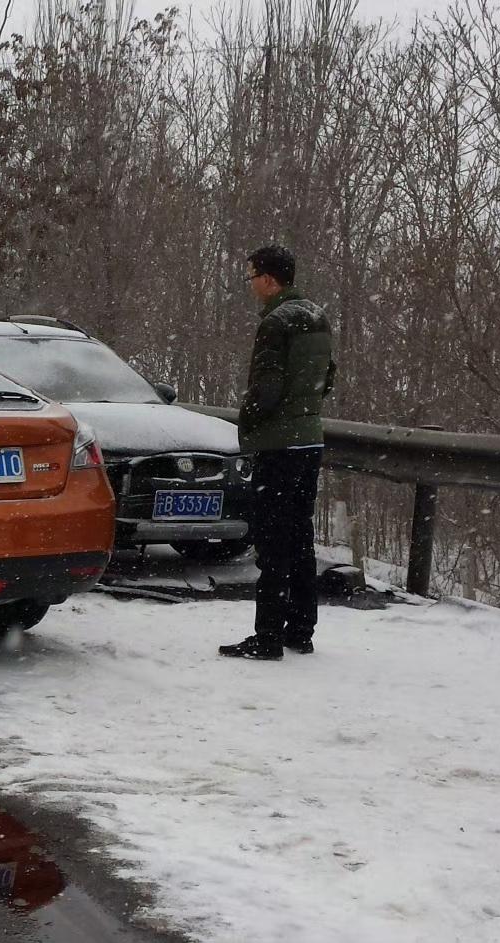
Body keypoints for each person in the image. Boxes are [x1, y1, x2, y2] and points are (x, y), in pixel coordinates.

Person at [220, 244, 336, 661]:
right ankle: (301, 629)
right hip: (310, 440)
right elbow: (329, 378)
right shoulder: (317, 316)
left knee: (272, 542)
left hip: (278, 445)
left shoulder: (275, 322)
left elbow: (266, 388)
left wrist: (247, 422)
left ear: (269, 279)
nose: (251, 285)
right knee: (300, 536)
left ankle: (266, 636)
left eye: (252, 277)